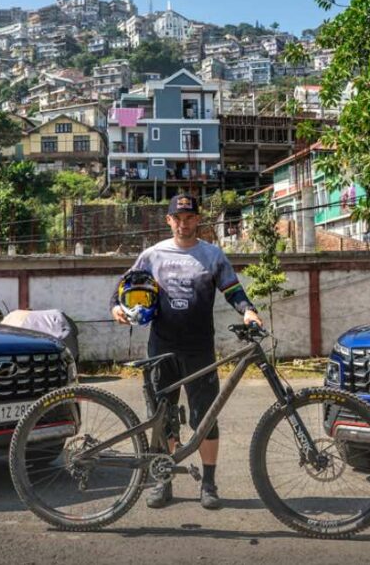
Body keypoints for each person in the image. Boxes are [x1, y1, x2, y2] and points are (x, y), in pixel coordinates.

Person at [111, 194, 261, 510]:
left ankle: (208, 483)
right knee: (162, 418)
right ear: (169, 221)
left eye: (190, 217)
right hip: (161, 348)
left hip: (200, 350)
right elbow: (125, 285)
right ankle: (162, 481)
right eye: (178, 218)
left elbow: (233, 289)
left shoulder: (212, 255)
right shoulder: (152, 255)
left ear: (198, 220)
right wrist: (116, 307)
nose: (184, 223)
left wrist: (247, 311)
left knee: (205, 418)